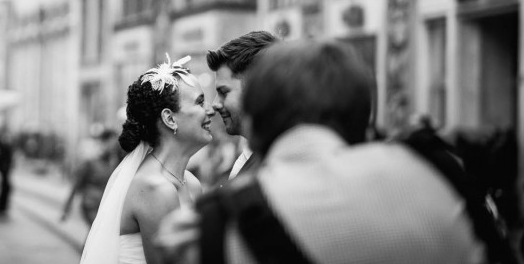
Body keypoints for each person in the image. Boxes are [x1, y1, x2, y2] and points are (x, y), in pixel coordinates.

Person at [158, 40, 495, 264]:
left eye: (222, 93)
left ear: (257, 113)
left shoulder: (207, 230)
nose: (214, 107)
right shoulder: (442, 182)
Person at [80, 54, 212, 264]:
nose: (210, 110)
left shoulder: (192, 183)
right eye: (200, 102)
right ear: (169, 118)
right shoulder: (155, 188)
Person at [205, 30, 278, 179]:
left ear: (256, 89)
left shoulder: (276, 165)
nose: (215, 105)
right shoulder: (252, 153)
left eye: (224, 92)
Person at [61, 129, 120, 226]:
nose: (114, 147)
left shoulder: (115, 163)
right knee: (98, 231)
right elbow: (76, 185)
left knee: (96, 236)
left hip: (105, 205)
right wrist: (67, 208)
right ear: (103, 142)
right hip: (90, 205)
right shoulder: (90, 161)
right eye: (112, 143)